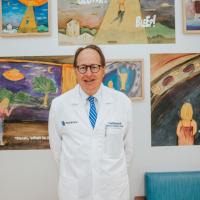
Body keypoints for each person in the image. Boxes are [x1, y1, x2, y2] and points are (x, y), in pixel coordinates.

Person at [48, 44, 133, 200]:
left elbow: (128, 150)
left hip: (113, 191)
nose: (88, 73)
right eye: (82, 68)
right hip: (75, 191)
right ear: (75, 70)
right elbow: (58, 152)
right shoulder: (60, 105)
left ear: (103, 69)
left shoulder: (122, 103)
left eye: (94, 67)